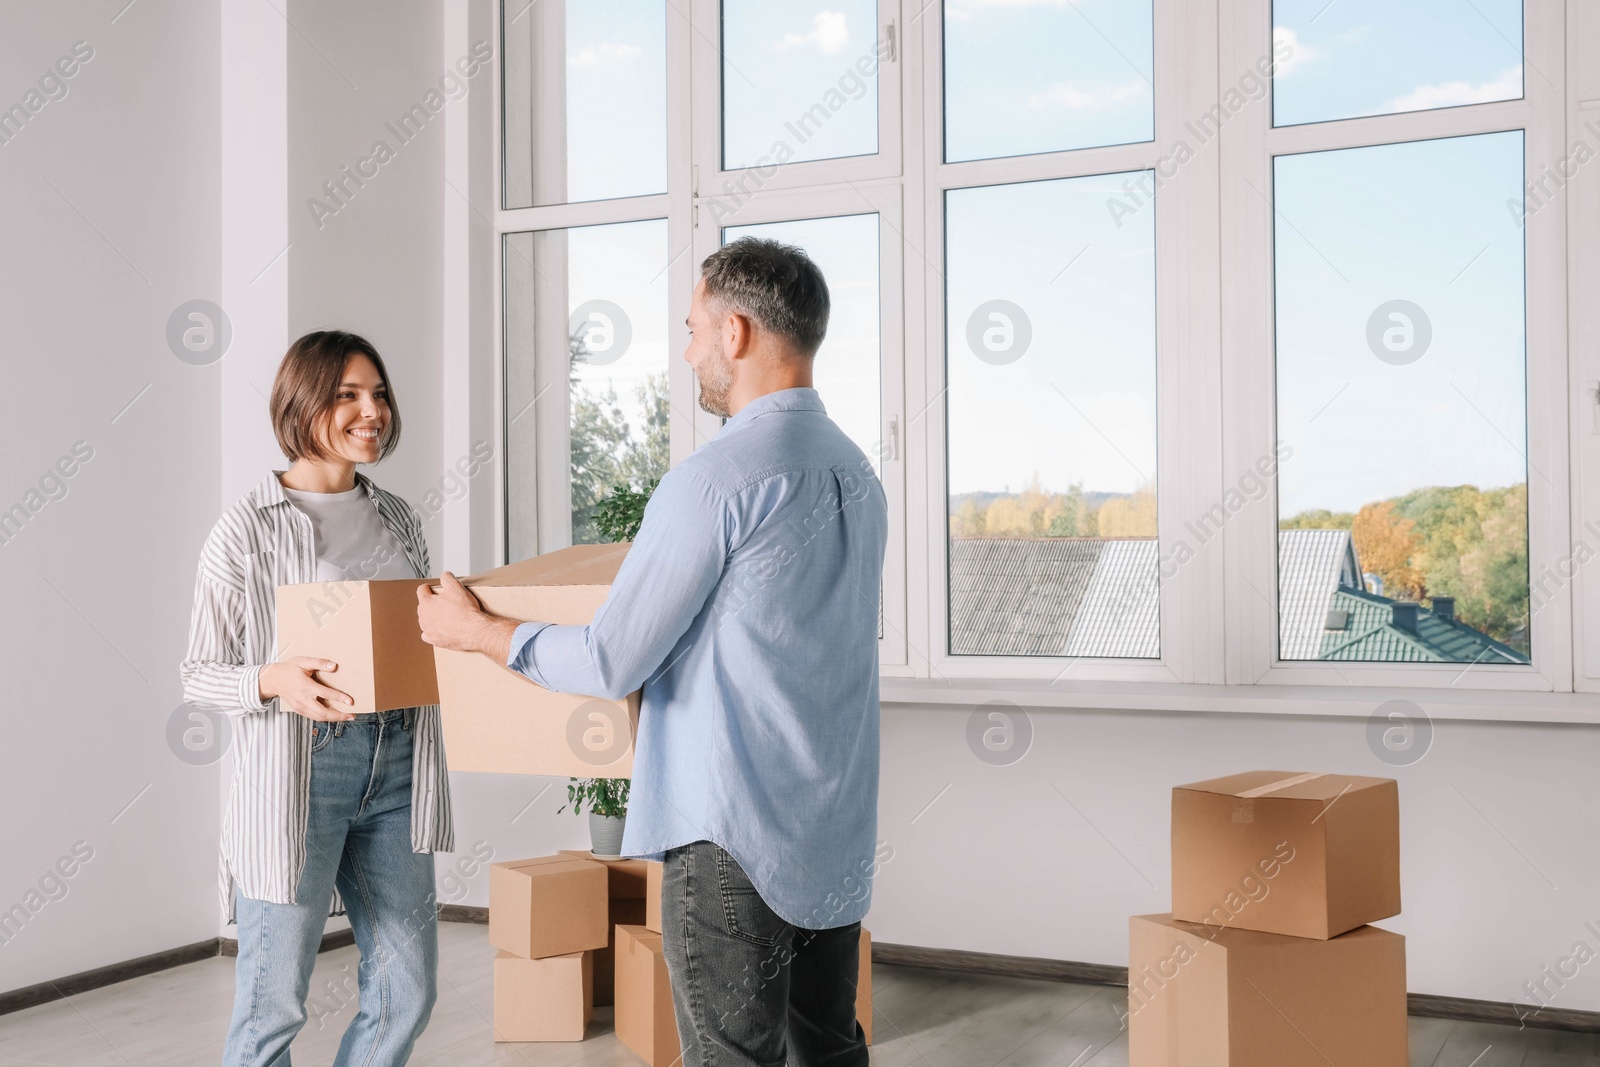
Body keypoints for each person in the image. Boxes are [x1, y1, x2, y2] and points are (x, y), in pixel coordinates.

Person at [418, 237, 887, 1067]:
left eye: (694, 327)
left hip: (730, 834)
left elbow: (610, 661)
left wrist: (478, 633)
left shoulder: (715, 480)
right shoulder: (856, 475)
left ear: (736, 332)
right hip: (833, 832)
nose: (689, 349)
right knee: (830, 1052)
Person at [181, 330, 453, 1067]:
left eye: (380, 392)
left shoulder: (397, 515)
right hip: (300, 775)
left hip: (399, 761)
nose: (374, 410)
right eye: (348, 395)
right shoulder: (245, 528)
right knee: (273, 1005)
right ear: (303, 404)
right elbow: (199, 671)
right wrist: (276, 679)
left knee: (409, 987)